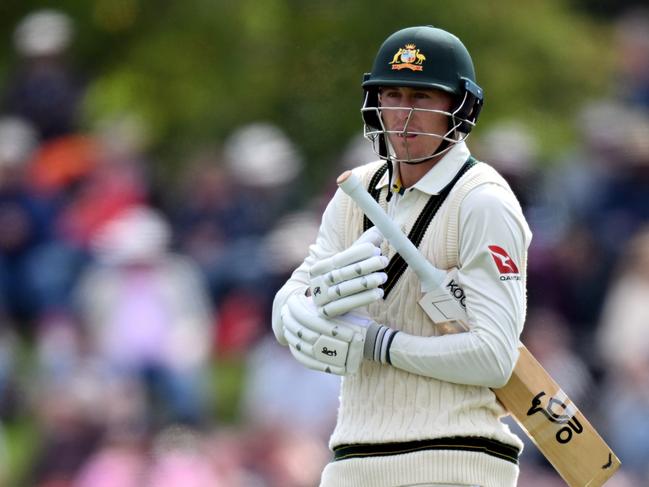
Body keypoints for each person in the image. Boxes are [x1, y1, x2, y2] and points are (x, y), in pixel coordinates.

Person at [272, 25, 532, 487]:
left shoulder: (483, 201)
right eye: (391, 94)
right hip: (352, 460)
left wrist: (378, 344)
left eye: (422, 98)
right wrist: (291, 312)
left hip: (455, 461)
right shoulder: (355, 192)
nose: (403, 116)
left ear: (459, 107)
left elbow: (494, 357)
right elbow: (297, 292)